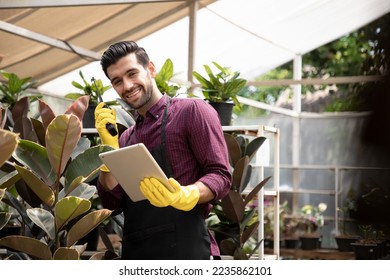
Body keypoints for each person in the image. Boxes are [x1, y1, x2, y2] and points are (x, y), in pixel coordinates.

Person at [94, 40, 232, 260]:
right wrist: (108, 152)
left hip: (186, 251)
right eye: (117, 81)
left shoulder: (192, 112)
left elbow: (221, 175)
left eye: (132, 74)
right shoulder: (126, 138)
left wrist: (189, 193)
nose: (127, 86)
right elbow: (112, 204)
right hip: (138, 253)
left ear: (150, 69)